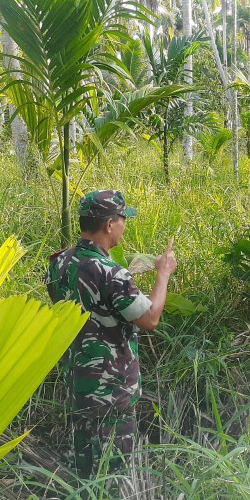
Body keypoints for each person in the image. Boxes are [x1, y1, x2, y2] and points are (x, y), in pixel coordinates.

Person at [46, 190, 177, 477]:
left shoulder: (58, 263)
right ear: (109, 224)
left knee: (84, 472)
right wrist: (163, 273)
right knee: (115, 474)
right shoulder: (111, 273)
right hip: (111, 392)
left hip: (77, 386)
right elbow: (150, 319)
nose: (123, 227)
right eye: (122, 220)